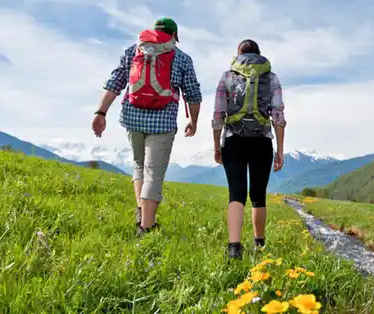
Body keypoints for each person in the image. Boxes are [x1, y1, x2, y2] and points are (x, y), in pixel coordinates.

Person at [92, 17, 202, 236]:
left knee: (139, 165)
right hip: (162, 122)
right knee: (154, 173)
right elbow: (193, 93)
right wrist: (194, 120)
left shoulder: (133, 51)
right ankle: (146, 228)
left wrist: (101, 112)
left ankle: (142, 213)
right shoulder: (181, 58)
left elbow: (115, 82)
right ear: (174, 35)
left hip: (132, 118)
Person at [212, 39, 286, 260]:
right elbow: (279, 117)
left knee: (236, 193)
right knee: (258, 196)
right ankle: (259, 244)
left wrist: (217, 145)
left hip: (233, 141)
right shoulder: (271, 78)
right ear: (259, 55)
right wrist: (280, 150)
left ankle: (234, 248)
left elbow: (218, 115)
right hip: (262, 141)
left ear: (238, 54)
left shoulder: (227, 76)